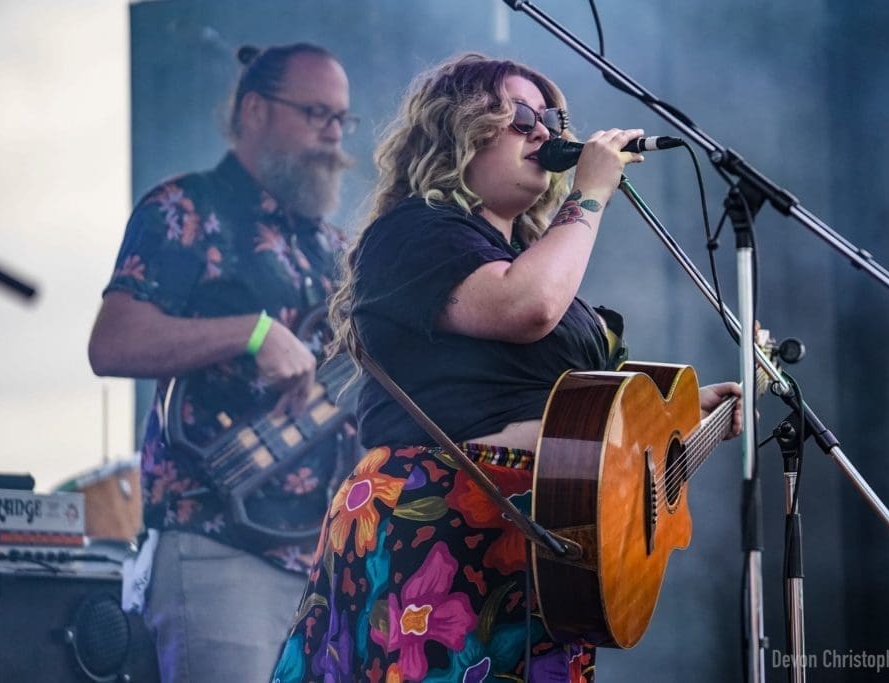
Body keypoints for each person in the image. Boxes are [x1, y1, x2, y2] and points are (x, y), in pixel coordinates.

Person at [270, 53, 743, 683]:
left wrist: (685, 418)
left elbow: (582, 418)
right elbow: (527, 306)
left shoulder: (531, 258)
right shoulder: (413, 232)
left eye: (552, 120)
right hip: (439, 529)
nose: (546, 134)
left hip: (541, 546)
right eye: (522, 119)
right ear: (457, 128)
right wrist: (592, 193)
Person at [88, 43, 357, 683]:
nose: (333, 134)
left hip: (324, 565)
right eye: (316, 112)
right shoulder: (185, 208)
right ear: (255, 109)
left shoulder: (333, 245)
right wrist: (253, 332)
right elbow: (113, 342)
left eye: (341, 118)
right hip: (217, 546)